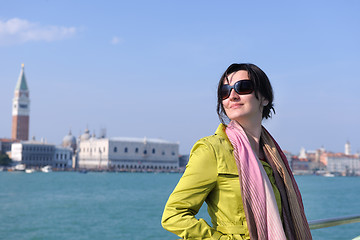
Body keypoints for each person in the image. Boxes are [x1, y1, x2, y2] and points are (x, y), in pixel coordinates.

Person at [161, 63, 312, 240]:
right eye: (225, 91)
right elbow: (173, 215)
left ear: (264, 98)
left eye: (243, 87)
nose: (232, 96)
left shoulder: (274, 157)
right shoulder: (212, 150)